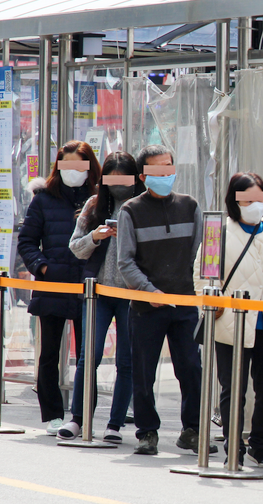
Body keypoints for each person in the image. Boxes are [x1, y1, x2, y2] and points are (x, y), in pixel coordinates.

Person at [117, 144, 215, 455]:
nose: (165, 173)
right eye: (158, 169)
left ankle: (193, 430)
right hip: (147, 307)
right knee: (144, 371)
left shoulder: (190, 206)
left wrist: (196, 291)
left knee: (190, 367)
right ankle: (147, 432)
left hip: (184, 303)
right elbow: (125, 262)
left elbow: (200, 255)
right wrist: (149, 291)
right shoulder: (130, 211)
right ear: (144, 176)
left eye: (169, 167)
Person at [193, 172, 263, 467]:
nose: (255, 204)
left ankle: (261, 443)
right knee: (233, 389)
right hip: (230, 324)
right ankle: (234, 447)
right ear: (234, 200)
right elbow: (202, 276)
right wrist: (211, 300)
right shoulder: (217, 232)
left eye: (260, 198)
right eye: (247, 199)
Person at [58, 152, 144, 443]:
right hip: (98, 292)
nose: (119, 184)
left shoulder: (144, 207)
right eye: (113, 178)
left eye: (125, 178)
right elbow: (75, 247)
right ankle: (78, 419)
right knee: (88, 356)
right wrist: (96, 236)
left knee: (127, 361)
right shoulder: (94, 205)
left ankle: (115, 424)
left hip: (131, 293)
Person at [18, 140, 100, 435]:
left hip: (88, 287)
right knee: (49, 353)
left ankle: (81, 414)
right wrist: (41, 266)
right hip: (52, 284)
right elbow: (27, 241)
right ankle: (52, 412)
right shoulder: (43, 200)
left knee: (88, 355)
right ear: (58, 167)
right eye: (67, 165)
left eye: (79, 165)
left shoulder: (98, 198)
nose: (73, 172)